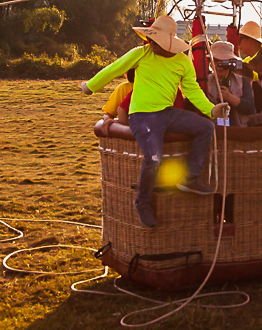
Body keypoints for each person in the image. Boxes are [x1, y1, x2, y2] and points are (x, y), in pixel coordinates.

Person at [82, 15, 230, 228]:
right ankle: (142, 202)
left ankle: (191, 177)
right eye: (150, 39)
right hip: (142, 115)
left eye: (155, 40)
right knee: (153, 158)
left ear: (168, 42)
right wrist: (91, 86)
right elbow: (115, 68)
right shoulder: (141, 54)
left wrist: (212, 110)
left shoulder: (182, 62)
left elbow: (192, 91)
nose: (150, 44)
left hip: (168, 113)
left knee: (205, 126)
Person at [205, 40, 254, 123]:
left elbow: (250, 108)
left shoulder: (242, 81)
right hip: (213, 130)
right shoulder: (205, 81)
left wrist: (229, 97)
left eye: (224, 61)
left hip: (237, 129)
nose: (220, 66)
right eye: (216, 61)